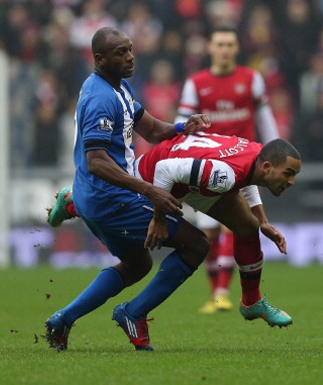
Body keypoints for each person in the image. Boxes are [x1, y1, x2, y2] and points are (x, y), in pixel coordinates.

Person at [43, 26, 215, 353]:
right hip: (112, 200)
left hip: (96, 196)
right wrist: (150, 192)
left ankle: (64, 318)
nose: (130, 56)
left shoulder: (116, 86)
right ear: (99, 58)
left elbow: (149, 127)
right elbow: (97, 161)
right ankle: (133, 313)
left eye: (130, 49)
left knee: (138, 264)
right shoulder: (99, 98)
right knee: (196, 245)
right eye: (121, 53)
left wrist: (181, 127)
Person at [47, 132, 301, 332]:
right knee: (187, 248)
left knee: (249, 227)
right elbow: (166, 171)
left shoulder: (256, 153)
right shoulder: (224, 175)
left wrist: (263, 220)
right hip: (151, 178)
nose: (291, 182)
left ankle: (252, 302)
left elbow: (247, 178)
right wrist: (158, 218)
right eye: (288, 174)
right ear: (268, 166)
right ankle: (73, 203)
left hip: (187, 177)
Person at [174, 24, 280, 314]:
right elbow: (183, 124)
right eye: (219, 44)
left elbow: (265, 116)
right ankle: (215, 293)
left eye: (229, 44)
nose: (224, 50)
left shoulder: (251, 79)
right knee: (208, 232)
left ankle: (222, 291)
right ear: (210, 48)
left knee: (235, 224)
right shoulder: (196, 83)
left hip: (244, 164)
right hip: (206, 165)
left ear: (236, 48)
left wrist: (275, 150)